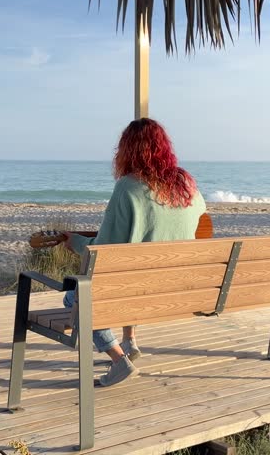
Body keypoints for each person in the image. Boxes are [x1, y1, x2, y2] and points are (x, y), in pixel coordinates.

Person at [61, 118, 206, 386]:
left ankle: (119, 361)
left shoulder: (128, 186)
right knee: (135, 277)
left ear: (128, 149)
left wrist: (76, 243)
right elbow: (196, 226)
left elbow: (102, 251)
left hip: (135, 290)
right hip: (177, 288)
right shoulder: (187, 185)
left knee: (75, 297)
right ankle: (130, 341)